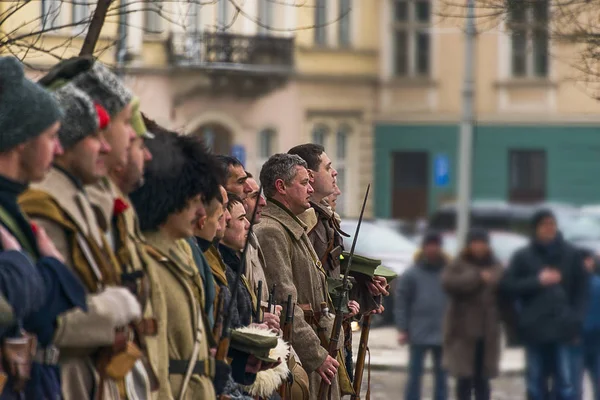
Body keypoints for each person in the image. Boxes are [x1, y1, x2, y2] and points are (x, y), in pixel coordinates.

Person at [19, 81, 142, 400]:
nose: (105, 147)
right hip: (62, 379)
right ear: (67, 143)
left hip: (88, 378)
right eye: (93, 136)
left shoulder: (76, 198)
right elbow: (52, 318)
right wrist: (116, 310)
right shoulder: (45, 205)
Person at [0, 56, 89, 399]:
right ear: (22, 140)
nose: (59, 148)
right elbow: (31, 310)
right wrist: (49, 269)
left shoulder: (16, 209)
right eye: (51, 136)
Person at [129, 126, 220, 399]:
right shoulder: (149, 262)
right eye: (194, 201)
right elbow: (155, 361)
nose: (202, 213)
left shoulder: (180, 254)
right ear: (168, 200)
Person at [255, 153, 341, 400]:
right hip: (302, 354)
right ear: (281, 187)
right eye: (304, 183)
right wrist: (316, 355)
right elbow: (286, 301)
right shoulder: (272, 231)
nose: (310, 188)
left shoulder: (291, 227)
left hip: (316, 343)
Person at [500, 209, 588, 400]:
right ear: (535, 228)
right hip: (534, 328)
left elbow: (582, 290)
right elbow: (508, 286)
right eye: (544, 224)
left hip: (563, 327)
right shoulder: (523, 256)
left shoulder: (570, 254)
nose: (549, 228)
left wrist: (575, 319)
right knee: (535, 381)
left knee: (565, 383)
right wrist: (537, 281)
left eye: (552, 224)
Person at [442, 229, 504, 400]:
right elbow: (449, 283)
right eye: (475, 243)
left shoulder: (495, 265)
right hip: (463, 332)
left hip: (488, 332)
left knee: (483, 380)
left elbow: (502, 286)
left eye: (482, 243)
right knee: (464, 380)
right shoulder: (459, 264)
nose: (479, 247)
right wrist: (477, 277)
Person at [395, 231, 448, 400]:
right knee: (415, 376)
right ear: (424, 248)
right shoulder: (412, 273)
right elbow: (402, 302)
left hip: (444, 332)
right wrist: (403, 328)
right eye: (429, 245)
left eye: (436, 245)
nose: (433, 249)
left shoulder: (449, 272)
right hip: (418, 331)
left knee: (442, 377)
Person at [570, 250, 600, 400]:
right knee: (574, 385)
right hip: (576, 339)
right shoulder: (569, 285)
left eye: (589, 260)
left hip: (592, 339)